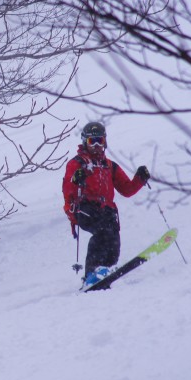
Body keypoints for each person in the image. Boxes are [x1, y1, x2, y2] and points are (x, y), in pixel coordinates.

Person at [62, 121, 150, 286]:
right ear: (84, 142)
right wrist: (76, 179)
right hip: (84, 207)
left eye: (99, 141)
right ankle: (91, 274)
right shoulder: (77, 163)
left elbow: (126, 189)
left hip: (107, 210)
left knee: (113, 240)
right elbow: (68, 188)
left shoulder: (109, 165)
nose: (96, 145)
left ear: (105, 142)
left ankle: (106, 272)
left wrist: (140, 179)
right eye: (91, 141)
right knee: (102, 233)